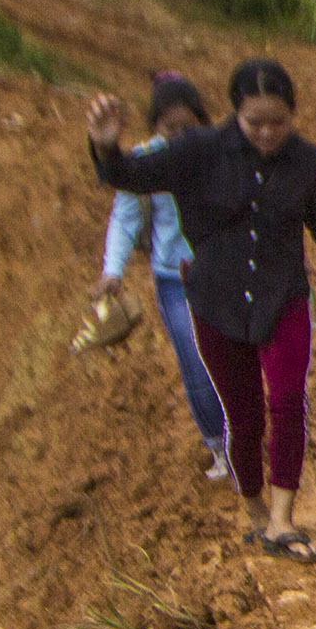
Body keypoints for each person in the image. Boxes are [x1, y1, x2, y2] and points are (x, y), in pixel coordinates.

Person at [87, 57, 316, 561]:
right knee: (244, 416)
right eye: (256, 123)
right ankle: (255, 511)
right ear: (235, 114)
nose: (269, 132)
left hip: (283, 296)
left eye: (279, 122)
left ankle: (282, 519)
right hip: (216, 303)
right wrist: (105, 144)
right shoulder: (197, 152)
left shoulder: (307, 161)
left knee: (289, 400)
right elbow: (129, 175)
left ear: (293, 115)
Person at [90, 71, 230, 484]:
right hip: (174, 279)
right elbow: (125, 214)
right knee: (196, 361)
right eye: (171, 129)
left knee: (233, 356)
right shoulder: (147, 163)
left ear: (203, 123)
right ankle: (220, 445)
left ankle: (243, 429)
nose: (180, 137)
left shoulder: (220, 153)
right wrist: (112, 271)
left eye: (188, 127)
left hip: (221, 270)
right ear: (155, 129)